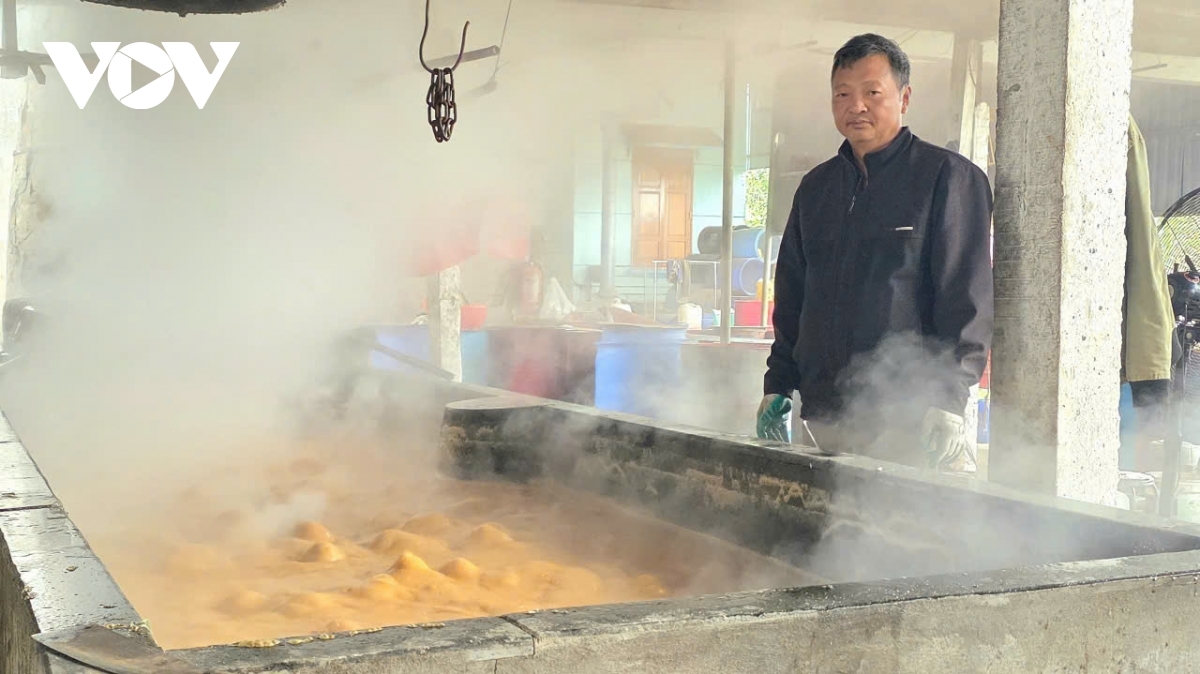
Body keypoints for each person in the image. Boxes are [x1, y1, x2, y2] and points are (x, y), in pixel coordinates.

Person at [755, 33, 995, 471]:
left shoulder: (947, 179)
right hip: (825, 418)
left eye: (872, 93)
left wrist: (949, 397)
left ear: (904, 98)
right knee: (830, 534)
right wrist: (779, 383)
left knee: (912, 535)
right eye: (842, 94)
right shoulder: (817, 189)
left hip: (915, 423)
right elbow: (793, 295)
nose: (856, 106)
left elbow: (967, 299)